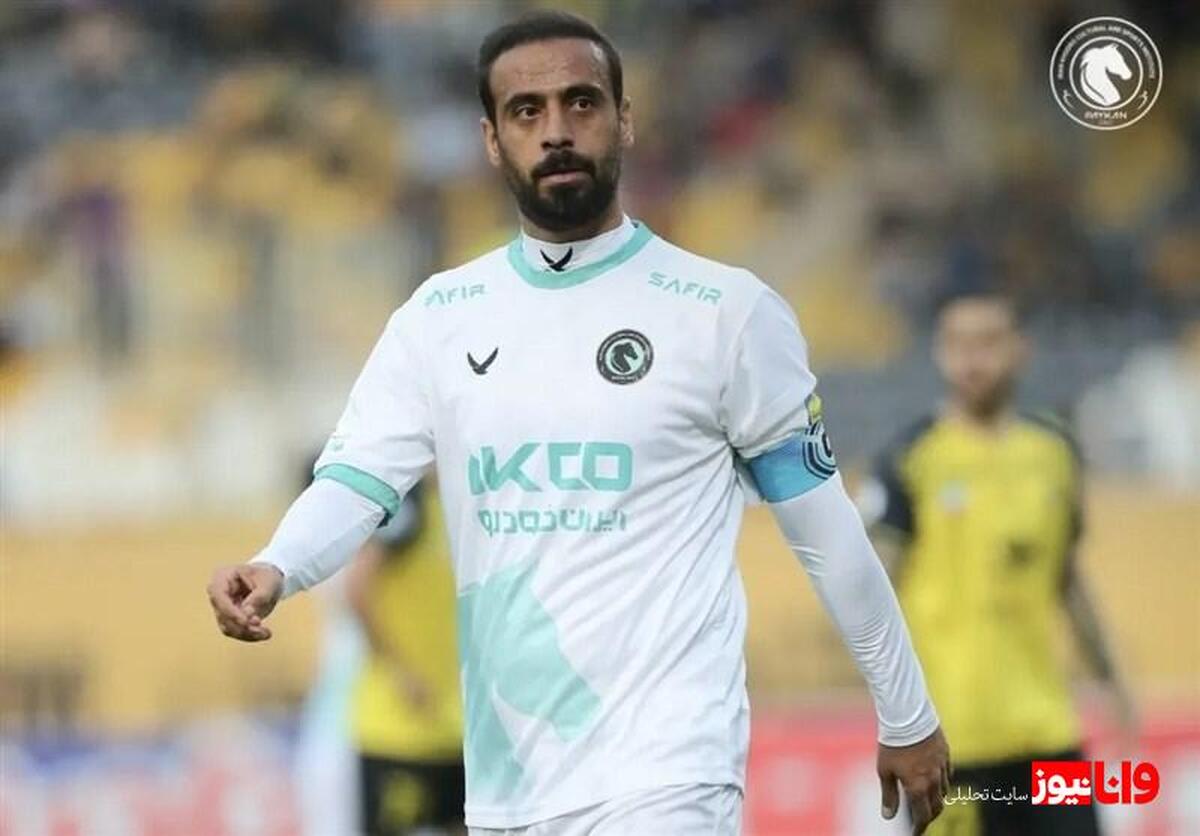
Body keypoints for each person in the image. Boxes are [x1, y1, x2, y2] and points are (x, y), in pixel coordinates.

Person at [207, 11, 950, 835]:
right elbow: (358, 481)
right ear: (492, 140)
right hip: (508, 786)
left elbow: (824, 528)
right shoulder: (439, 318)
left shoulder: (726, 314)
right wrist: (278, 564)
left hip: (670, 772)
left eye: (582, 103)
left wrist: (906, 712)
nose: (556, 130)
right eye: (526, 111)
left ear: (624, 120)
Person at [860, 290, 1135, 836]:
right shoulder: (910, 458)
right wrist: (894, 710)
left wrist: (1112, 680)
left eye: (988, 342)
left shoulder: (1053, 453)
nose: (973, 360)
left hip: (1049, 734)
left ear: (1020, 348)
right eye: (958, 344)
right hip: (948, 750)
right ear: (939, 353)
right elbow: (872, 594)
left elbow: (1066, 578)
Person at [346, 481, 466, 835]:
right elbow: (356, 588)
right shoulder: (407, 506)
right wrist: (400, 671)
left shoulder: (464, 508)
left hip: (456, 727)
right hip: (398, 729)